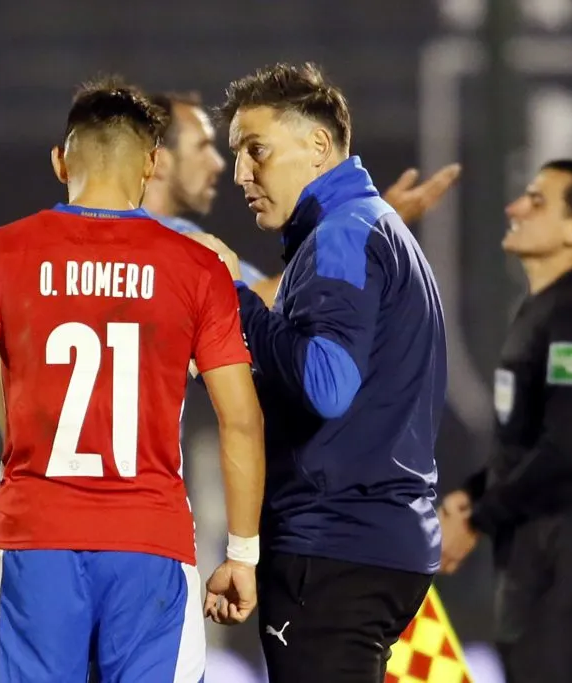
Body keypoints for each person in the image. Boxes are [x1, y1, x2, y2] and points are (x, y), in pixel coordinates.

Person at [0, 77, 267, 683]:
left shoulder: (0, 253)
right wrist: (241, 554)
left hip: (35, 540)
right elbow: (241, 417)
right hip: (150, 543)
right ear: (152, 163)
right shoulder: (197, 266)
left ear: (59, 162)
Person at [190, 62, 447, 682]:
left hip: (335, 546)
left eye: (257, 150)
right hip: (381, 541)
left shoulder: (341, 234)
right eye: (237, 155)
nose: (243, 174)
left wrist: (238, 299)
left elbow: (327, 386)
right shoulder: (373, 227)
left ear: (318, 146)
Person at [439, 159, 572, 683]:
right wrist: (474, 495)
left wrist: (477, 517)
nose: (514, 208)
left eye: (537, 201)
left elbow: (565, 449)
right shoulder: (539, 312)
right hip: (532, 547)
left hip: (565, 547)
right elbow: (526, 442)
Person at [143, 91, 461, 305]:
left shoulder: (130, 237)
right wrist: (366, 228)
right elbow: (253, 306)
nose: (219, 164)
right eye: (201, 146)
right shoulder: (165, 245)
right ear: (161, 159)